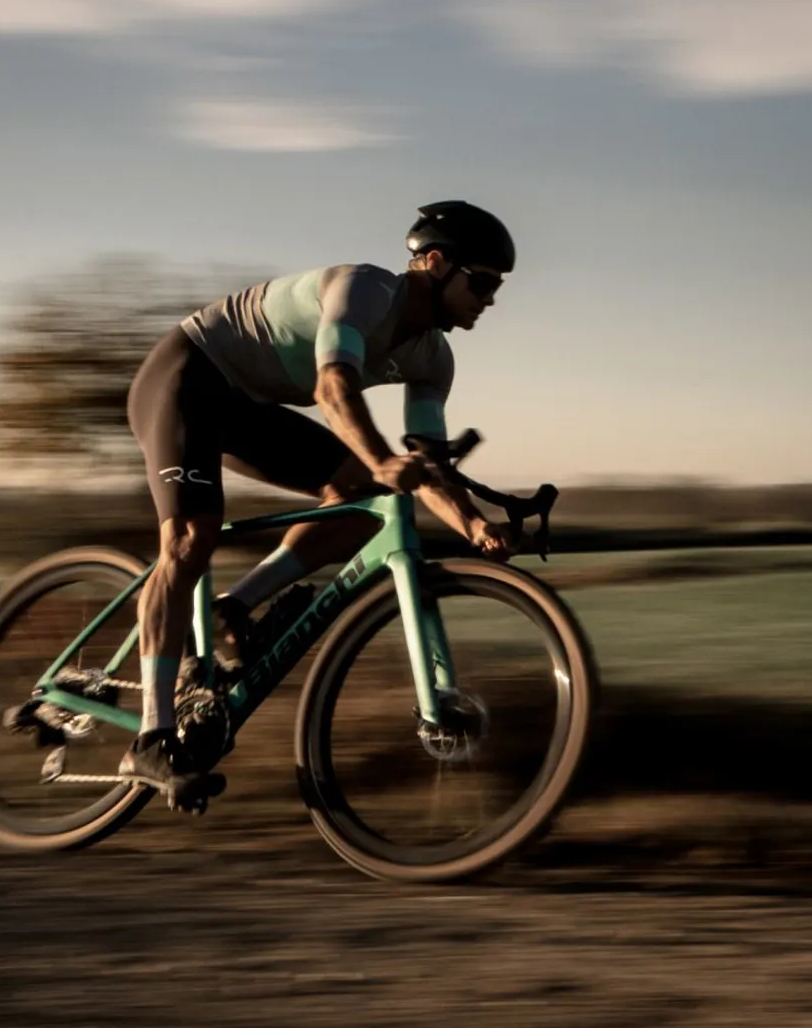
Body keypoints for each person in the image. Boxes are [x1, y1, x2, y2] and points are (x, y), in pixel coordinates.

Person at [120, 199, 519, 794]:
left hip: (247, 406)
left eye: (497, 287)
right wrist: (384, 461)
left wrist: (476, 527)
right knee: (189, 537)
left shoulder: (434, 359)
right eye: (483, 282)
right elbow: (333, 388)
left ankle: (235, 606)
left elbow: (429, 465)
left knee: (363, 502)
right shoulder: (364, 291)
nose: (490, 299)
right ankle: (151, 738)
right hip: (188, 377)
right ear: (435, 263)